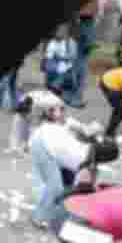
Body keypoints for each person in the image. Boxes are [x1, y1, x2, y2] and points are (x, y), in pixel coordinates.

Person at [29, 94, 94, 228]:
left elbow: (82, 130)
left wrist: (87, 131)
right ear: (46, 112)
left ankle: (62, 211)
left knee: (66, 182)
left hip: (53, 150)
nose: (61, 112)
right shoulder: (48, 127)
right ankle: (39, 217)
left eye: (61, 108)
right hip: (44, 150)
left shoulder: (64, 122)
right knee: (55, 187)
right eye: (54, 109)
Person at [71, 0, 99, 108]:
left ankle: (76, 97)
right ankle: (75, 97)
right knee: (79, 64)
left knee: (79, 64)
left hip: (84, 23)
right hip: (83, 24)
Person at [43, 26, 78, 104]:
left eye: (61, 32)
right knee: (50, 88)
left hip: (64, 71)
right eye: (58, 31)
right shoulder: (52, 42)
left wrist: (61, 57)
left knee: (57, 89)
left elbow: (73, 57)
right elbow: (48, 55)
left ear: (66, 33)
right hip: (52, 70)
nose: (59, 33)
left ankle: (60, 102)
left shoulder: (70, 42)